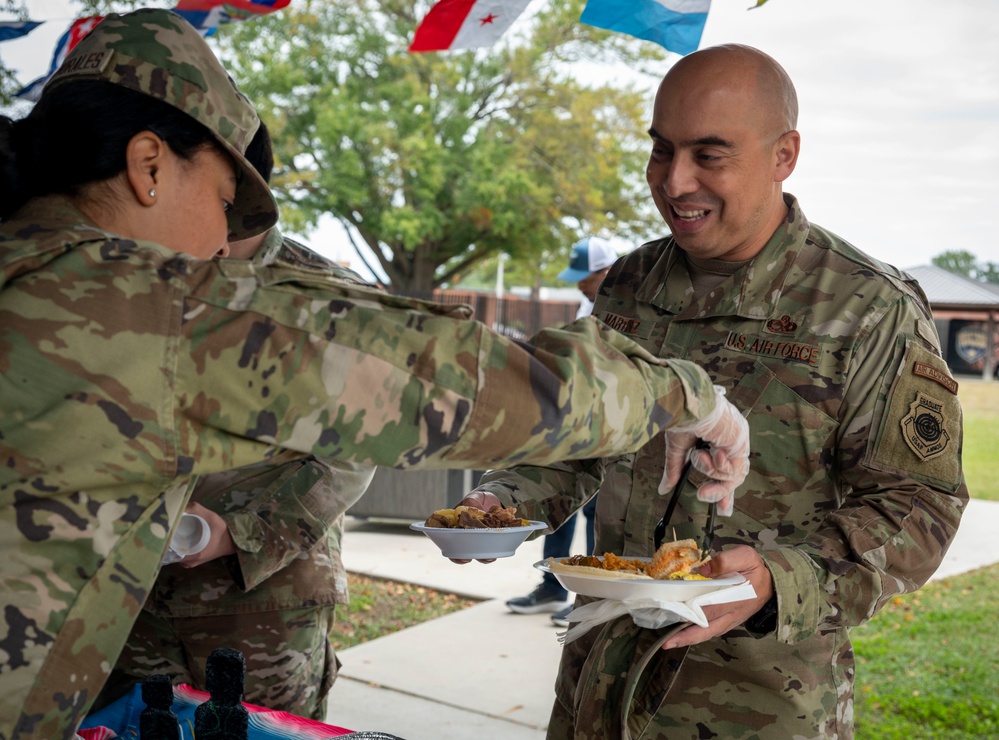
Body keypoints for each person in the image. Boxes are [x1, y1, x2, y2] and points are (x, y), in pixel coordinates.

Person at [0, 11, 748, 737]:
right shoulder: (144, 308)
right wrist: (686, 394)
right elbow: (461, 383)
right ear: (149, 166)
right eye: (224, 204)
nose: (221, 243)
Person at [460, 43, 968, 738]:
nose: (674, 181)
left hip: (757, 701)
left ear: (783, 155)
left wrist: (776, 576)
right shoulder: (630, 286)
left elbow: (917, 508)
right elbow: (577, 442)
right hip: (599, 686)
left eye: (709, 154)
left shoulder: (865, 307)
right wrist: (501, 500)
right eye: (660, 151)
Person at [94, 123, 376, 721]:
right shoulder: (136, 277)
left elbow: (354, 451)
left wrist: (238, 531)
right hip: (133, 593)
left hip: (264, 600)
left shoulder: (327, 295)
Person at [505, 237, 617, 623]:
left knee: (596, 515)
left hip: (607, 428)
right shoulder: (588, 303)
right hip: (574, 422)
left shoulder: (620, 309)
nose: (578, 284)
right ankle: (553, 587)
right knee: (559, 507)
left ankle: (587, 594)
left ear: (605, 271)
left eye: (584, 277)